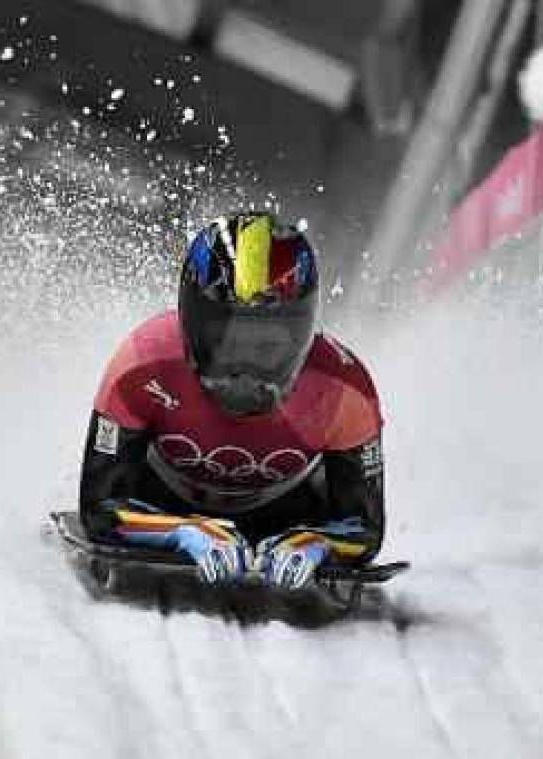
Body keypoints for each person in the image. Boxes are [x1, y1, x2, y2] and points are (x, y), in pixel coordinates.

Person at [79, 212, 385, 590]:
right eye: (227, 341)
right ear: (191, 324)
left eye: (267, 346)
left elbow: (365, 527)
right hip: (158, 501)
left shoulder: (345, 390)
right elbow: (99, 506)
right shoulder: (141, 365)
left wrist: (318, 542)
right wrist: (181, 531)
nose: (245, 371)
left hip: (289, 518)